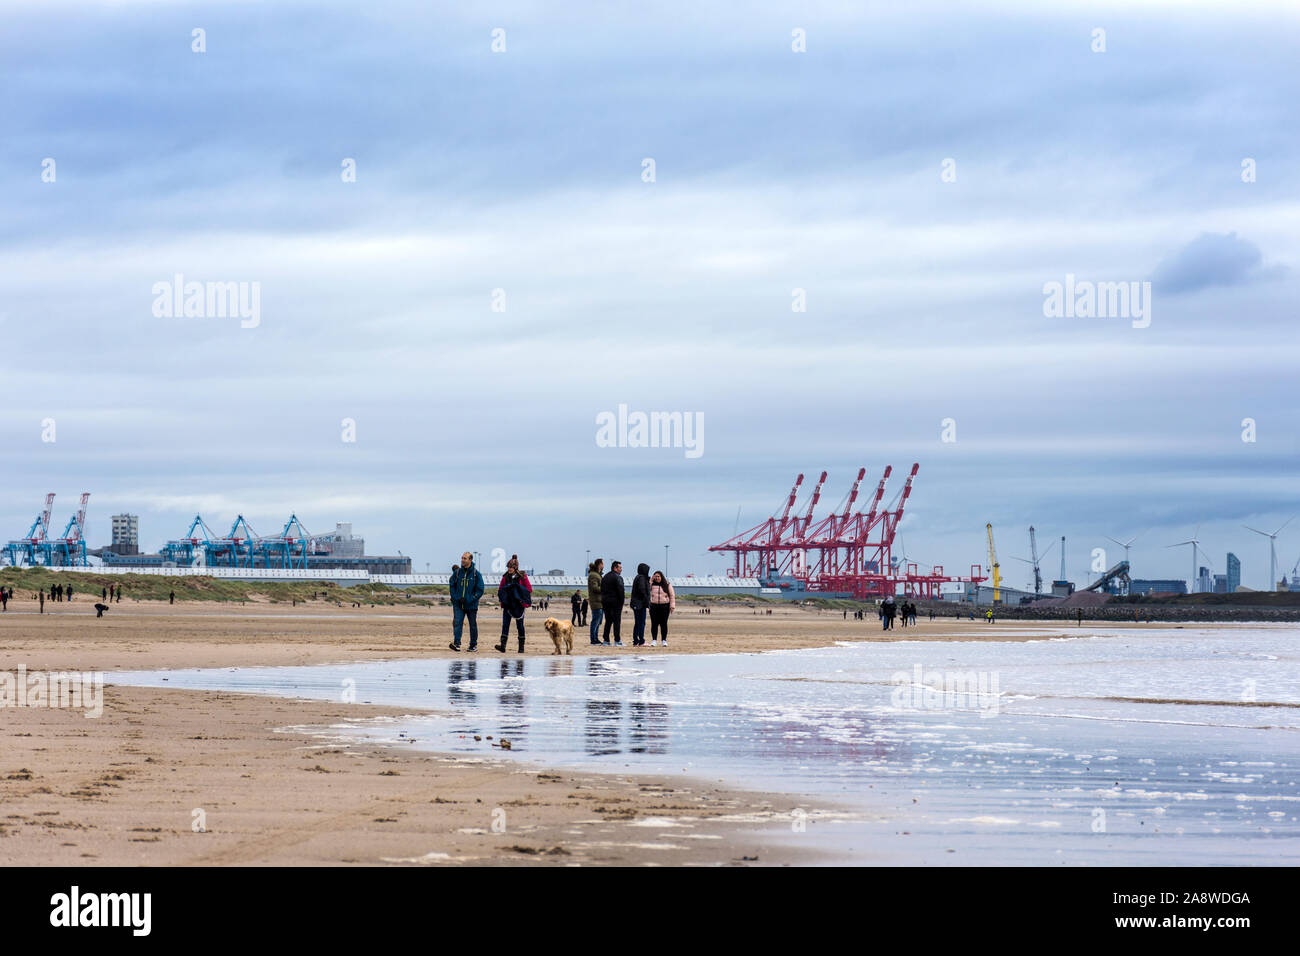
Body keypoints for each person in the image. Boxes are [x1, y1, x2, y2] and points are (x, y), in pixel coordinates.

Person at [494, 555, 531, 653]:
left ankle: (521, 648)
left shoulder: (523, 577)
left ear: (515, 568)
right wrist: (503, 598)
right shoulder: (505, 577)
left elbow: (529, 589)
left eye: (511, 567)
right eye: (508, 567)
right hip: (508, 605)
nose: (509, 569)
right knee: (505, 625)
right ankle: (503, 646)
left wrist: (518, 591)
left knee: (520, 625)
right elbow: (500, 589)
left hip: (519, 606)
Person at [448, 551, 484, 652]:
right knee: (457, 623)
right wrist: (456, 598)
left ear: (470, 560)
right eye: (462, 558)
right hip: (458, 604)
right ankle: (457, 644)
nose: (462, 560)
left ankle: (473, 645)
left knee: (472, 625)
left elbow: (480, 590)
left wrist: (470, 599)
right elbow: (451, 586)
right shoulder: (457, 573)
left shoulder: (476, 574)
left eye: (465, 558)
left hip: (471, 605)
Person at [601, 560, 626, 645]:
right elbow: (621, 591)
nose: (621, 569)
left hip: (605, 602)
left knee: (608, 621)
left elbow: (602, 590)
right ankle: (617, 640)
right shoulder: (617, 577)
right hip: (615, 603)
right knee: (616, 622)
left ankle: (606, 640)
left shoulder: (605, 577)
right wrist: (622, 602)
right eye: (620, 568)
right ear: (615, 568)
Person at [648, 570, 675, 646]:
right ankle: (654, 640)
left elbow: (672, 596)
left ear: (661, 577)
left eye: (658, 576)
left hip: (664, 607)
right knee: (654, 624)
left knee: (664, 624)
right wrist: (650, 581)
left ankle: (664, 640)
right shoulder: (651, 585)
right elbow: (646, 591)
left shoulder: (667, 585)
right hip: (654, 606)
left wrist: (672, 606)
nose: (657, 578)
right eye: (655, 576)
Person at [630, 562, 651, 646]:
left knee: (638, 622)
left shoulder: (638, 577)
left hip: (637, 603)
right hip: (640, 604)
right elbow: (642, 590)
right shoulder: (642, 578)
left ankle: (636, 640)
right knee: (641, 622)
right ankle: (641, 640)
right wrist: (647, 601)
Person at [587, 559, 604, 646]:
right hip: (596, 601)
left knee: (599, 621)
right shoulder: (593, 575)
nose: (604, 565)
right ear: (599, 564)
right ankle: (593, 639)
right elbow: (594, 588)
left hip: (600, 601)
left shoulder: (597, 574)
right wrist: (605, 589)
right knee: (595, 621)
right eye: (603, 563)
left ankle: (596, 638)